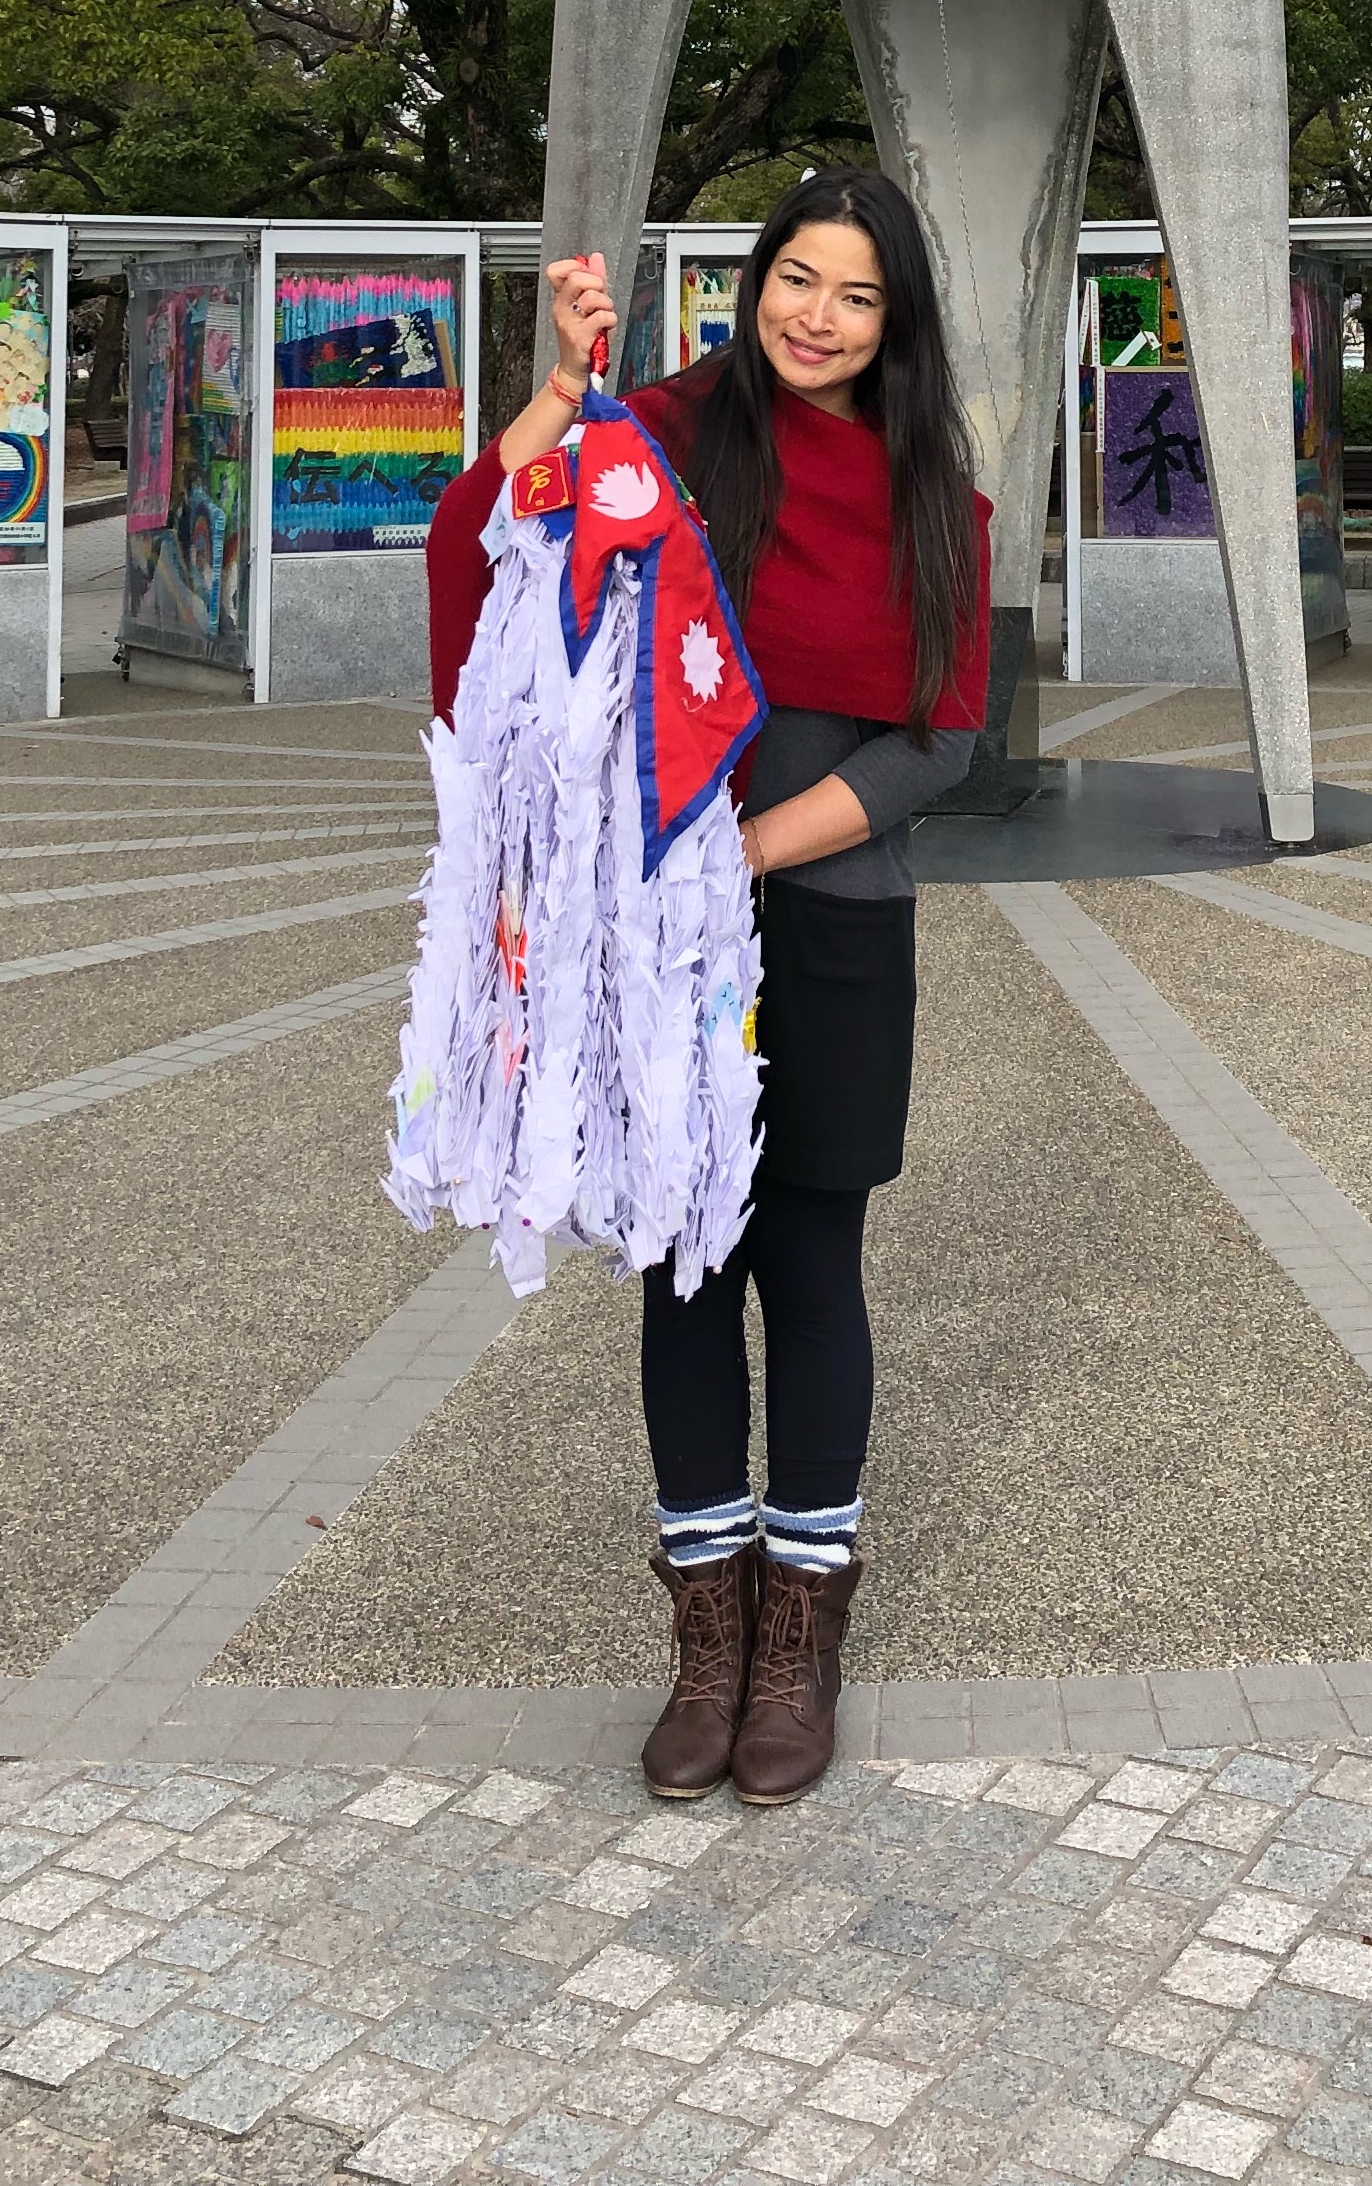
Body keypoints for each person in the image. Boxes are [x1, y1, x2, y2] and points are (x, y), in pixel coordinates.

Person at [425, 166, 990, 1805]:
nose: (812, 314)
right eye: (792, 277)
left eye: (853, 293)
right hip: (650, 940)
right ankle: (704, 1639)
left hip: (820, 912)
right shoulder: (663, 430)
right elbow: (487, 560)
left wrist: (743, 856)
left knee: (810, 1258)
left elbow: (934, 742)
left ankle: (798, 1637)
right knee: (684, 1261)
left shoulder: (923, 491)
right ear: (750, 282)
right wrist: (552, 400)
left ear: (896, 323)